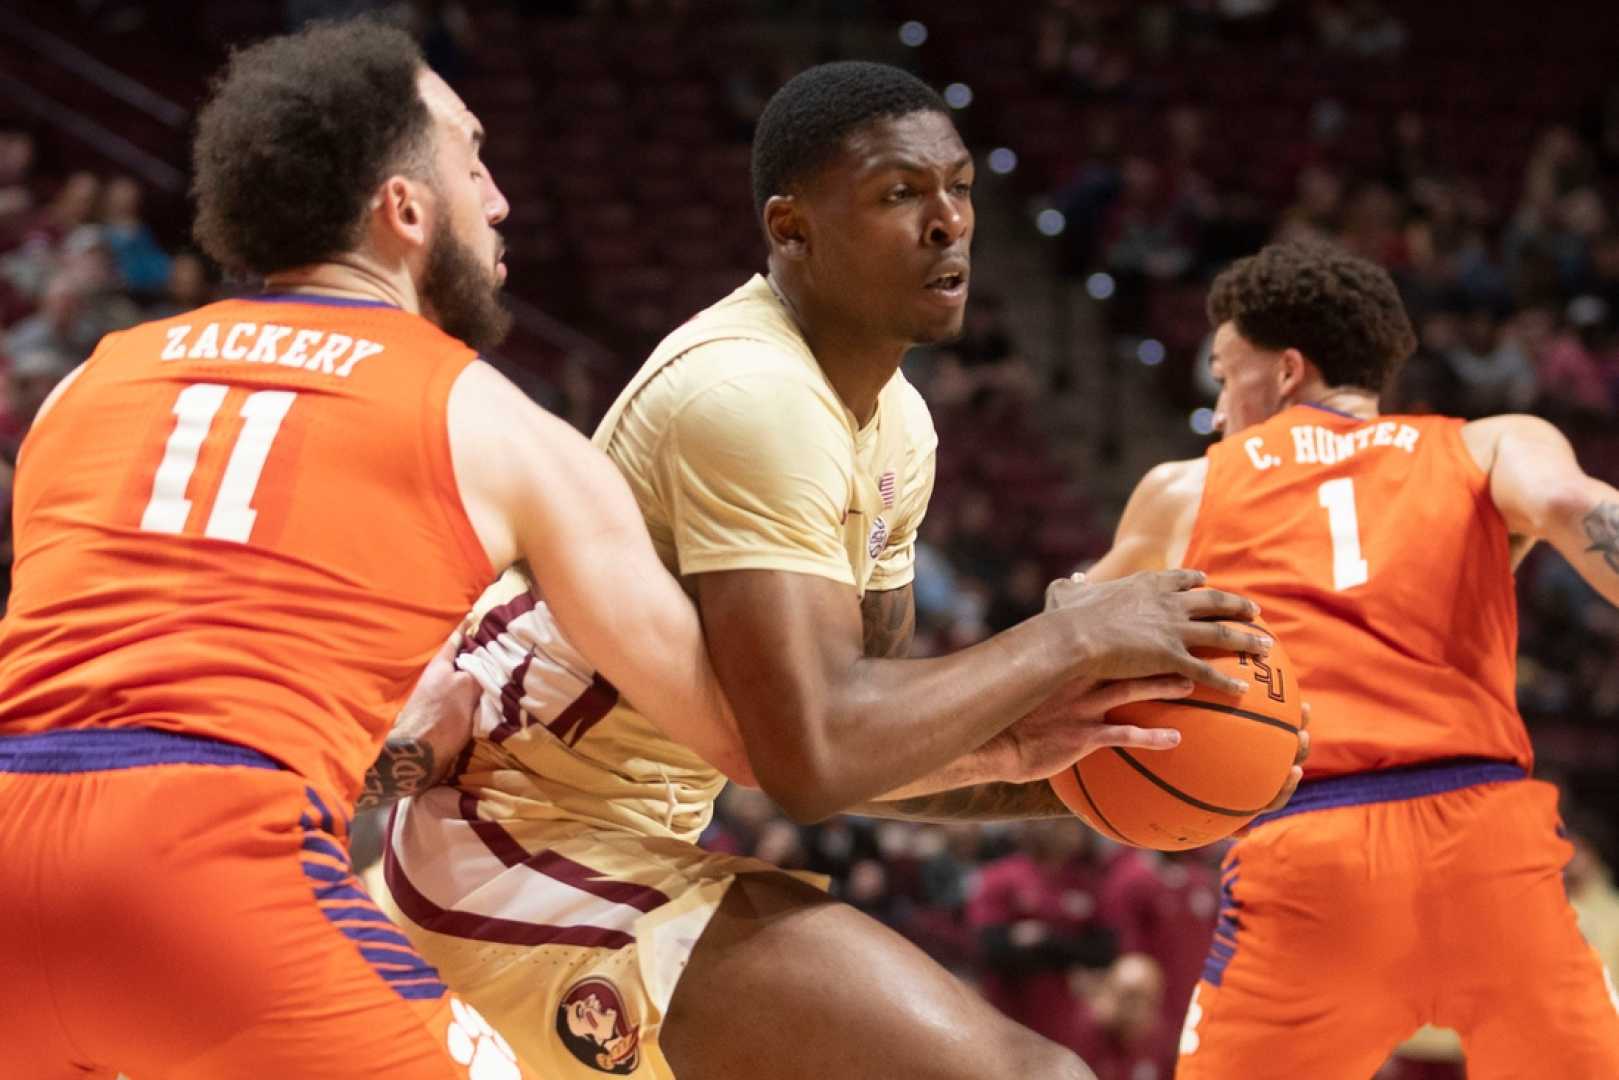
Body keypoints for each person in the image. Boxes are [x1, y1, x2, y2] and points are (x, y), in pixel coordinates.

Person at [384, 61, 1299, 1080]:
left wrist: (1071, 762)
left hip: (631, 836)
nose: (947, 222)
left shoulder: (899, 424)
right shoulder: (747, 394)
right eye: (899, 195)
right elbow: (814, 755)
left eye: (958, 188)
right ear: (790, 228)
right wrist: (1071, 635)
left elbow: (850, 747)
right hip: (511, 840)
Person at [0, 19, 760, 1079]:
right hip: (211, 877)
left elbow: (135, 683)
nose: (497, 196)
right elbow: (744, 738)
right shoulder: (490, 423)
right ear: (402, 210)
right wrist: (1015, 731)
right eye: (473, 157)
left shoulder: (85, 384)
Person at [1087, 239, 1619, 1079]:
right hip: (1488, 848)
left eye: (1225, 378)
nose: (1219, 411)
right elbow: (1566, 503)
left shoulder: (1186, 488)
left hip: (1314, 852)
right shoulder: (1486, 444)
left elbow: (1066, 640)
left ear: (1286, 370)